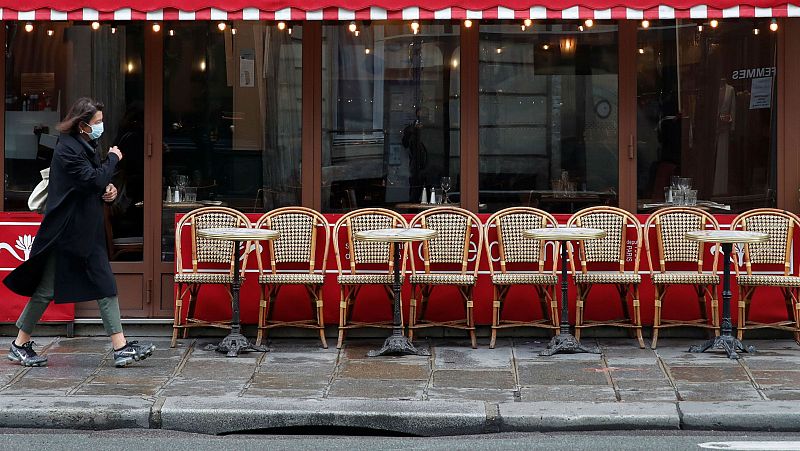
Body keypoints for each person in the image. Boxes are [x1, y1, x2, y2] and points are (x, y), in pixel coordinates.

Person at [4, 97, 155, 368]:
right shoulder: (67, 149)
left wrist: (107, 190)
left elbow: (94, 181)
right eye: (97, 123)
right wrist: (112, 159)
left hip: (86, 232)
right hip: (65, 232)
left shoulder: (84, 144)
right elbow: (92, 178)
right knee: (46, 290)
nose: (101, 127)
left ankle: (120, 347)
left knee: (105, 284)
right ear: (83, 124)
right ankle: (19, 343)